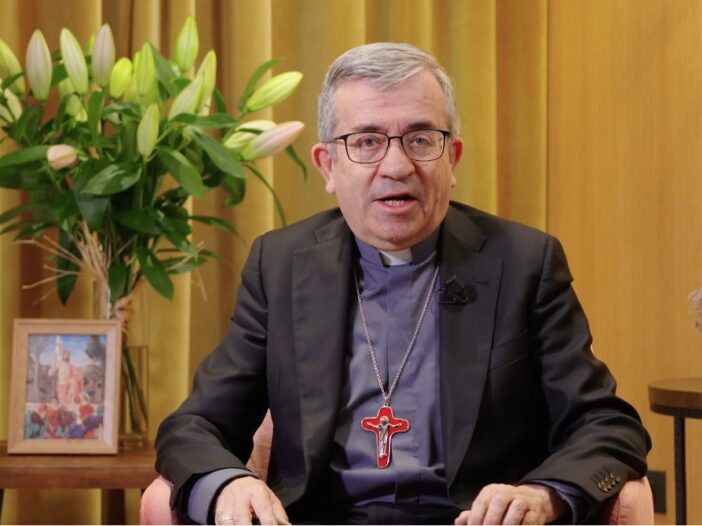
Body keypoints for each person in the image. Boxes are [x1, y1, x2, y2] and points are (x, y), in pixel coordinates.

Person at [155, 43, 650, 525]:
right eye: (367, 141)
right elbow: (195, 425)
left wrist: (542, 496)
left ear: (452, 159)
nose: (396, 167)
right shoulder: (280, 265)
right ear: (328, 166)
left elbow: (608, 425)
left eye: (420, 139)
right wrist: (226, 483)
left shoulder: (524, 263)